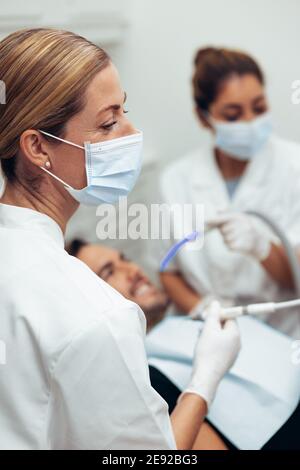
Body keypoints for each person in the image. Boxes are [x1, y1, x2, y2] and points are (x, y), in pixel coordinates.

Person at [0, 28, 240, 450]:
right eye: (108, 123)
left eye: (123, 112)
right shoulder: (98, 316)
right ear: (38, 148)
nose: (131, 133)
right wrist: (204, 380)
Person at [67, 239, 300, 450]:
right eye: (109, 272)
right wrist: (204, 382)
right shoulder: (148, 384)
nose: (133, 270)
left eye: (124, 259)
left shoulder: (191, 322)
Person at [159, 47, 300, 338]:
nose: (250, 122)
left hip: (282, 336)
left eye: (259, 108)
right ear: (203, 117)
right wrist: (201, 309)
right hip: (205, 334)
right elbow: (167, 270)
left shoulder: (294, 167)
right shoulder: (176, 179)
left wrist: (263, 247)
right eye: (233, 115)